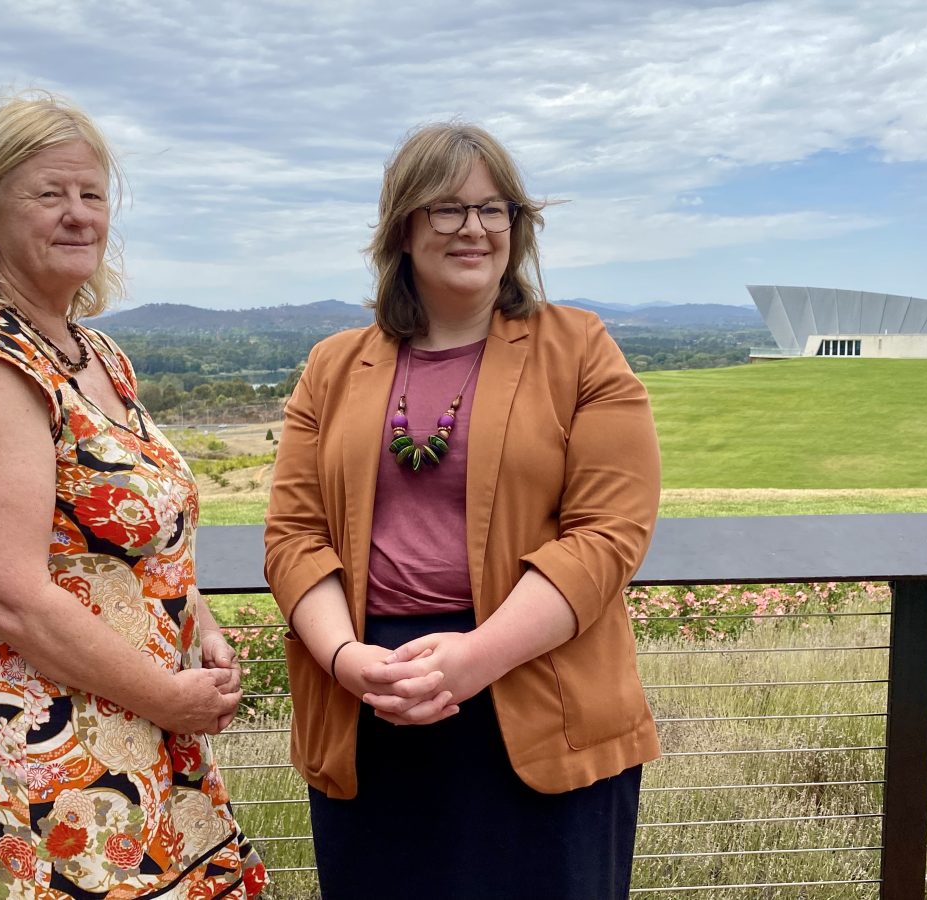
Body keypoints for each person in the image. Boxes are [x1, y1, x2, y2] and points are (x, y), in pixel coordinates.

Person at [264, 123, 661, 899]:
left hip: (541, 703)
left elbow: (608, 533)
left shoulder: (580, 347)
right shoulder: (332, 366)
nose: (473, 228)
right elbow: (294, 538)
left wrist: (478, 658)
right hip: (368, 710)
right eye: (447, 208)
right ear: (403, 227)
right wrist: (346, 660)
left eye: (493, 208)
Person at [0, 93, 266, 898]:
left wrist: (201, 629)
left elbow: (140, 538)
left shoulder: (96, 353)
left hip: (134, 733)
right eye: (50, 194)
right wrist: (170, 696)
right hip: (37, 759)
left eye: (92, 194)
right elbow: (8, 595)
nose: (78, 215)